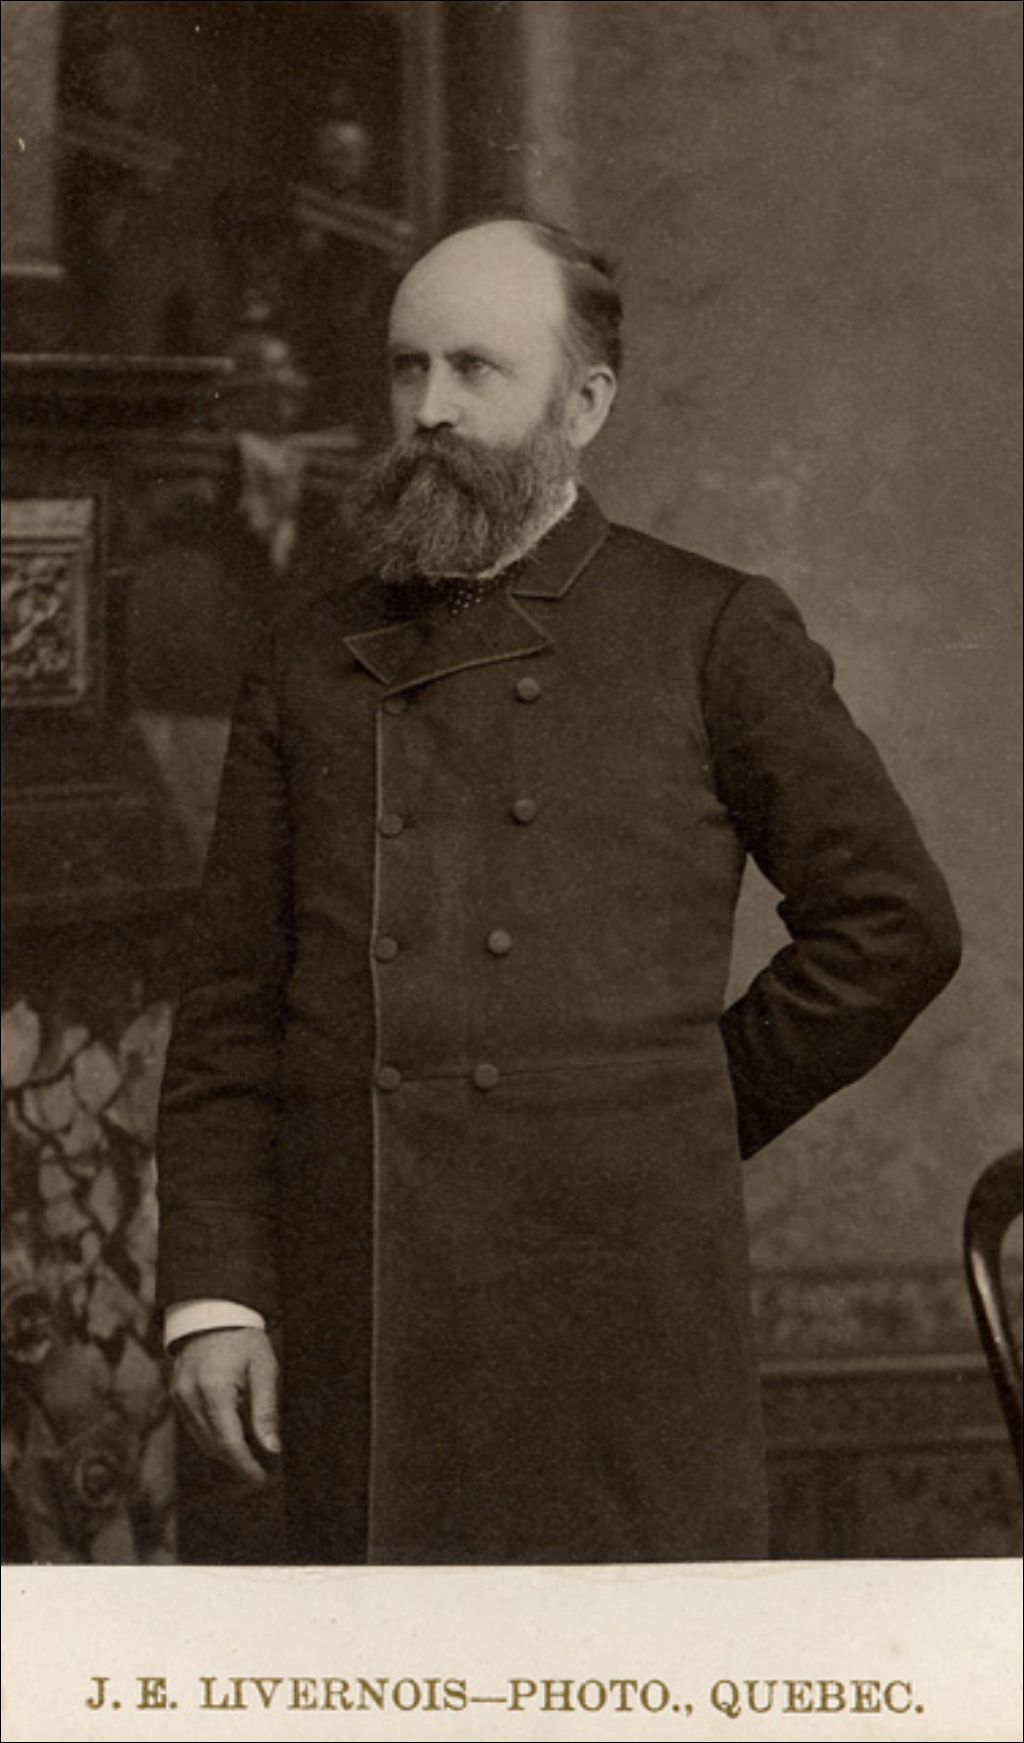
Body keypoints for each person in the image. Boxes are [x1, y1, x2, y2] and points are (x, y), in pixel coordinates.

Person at [156, 216, 961, 1565]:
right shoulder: (307, 655)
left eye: (475, 368)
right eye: (407, 367)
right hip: (351, 1322)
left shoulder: (710, 630)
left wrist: (683, 1113)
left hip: (612, 1325)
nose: (429, 408)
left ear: (585, 404)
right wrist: (215, 1299)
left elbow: (897, 927)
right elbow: (231, 1012)